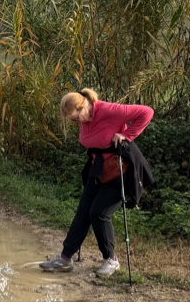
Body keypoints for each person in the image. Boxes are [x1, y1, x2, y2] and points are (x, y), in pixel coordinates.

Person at [40, 88, 154, 275]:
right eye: (73, 120)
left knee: (99, 213)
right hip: (99, 170)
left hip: (120, 171)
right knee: (83, 212)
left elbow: (146, 112)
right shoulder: (86, 117)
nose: (77, 122)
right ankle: (65, 259)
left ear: (83, 106)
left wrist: (127, 135)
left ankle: (111, 260)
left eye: (76, 118)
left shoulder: (109, 110)